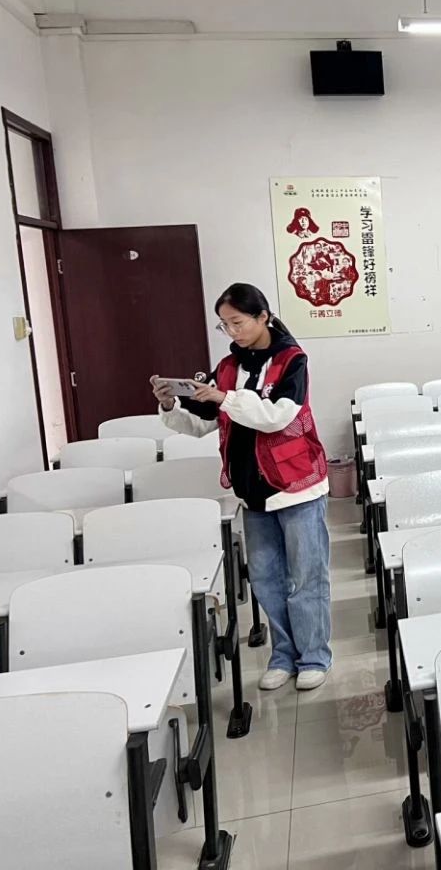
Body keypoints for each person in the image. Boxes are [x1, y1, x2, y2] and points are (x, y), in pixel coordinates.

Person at [152, 283, 332, 692]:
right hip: (253, 489)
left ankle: (314, 656)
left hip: (296, 485)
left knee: (306, 578)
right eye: (225, 325)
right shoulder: (229, 367)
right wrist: (170, 404)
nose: (232, 331)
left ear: (262, 317)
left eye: (238, 322)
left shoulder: (292, 360)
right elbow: (202, 423)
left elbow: (277, 417)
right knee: (266, 579)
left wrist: (225, 397)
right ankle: (283, 655)